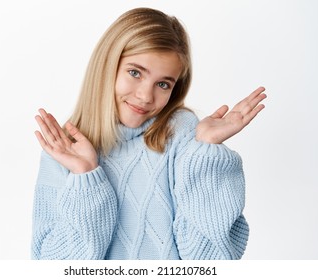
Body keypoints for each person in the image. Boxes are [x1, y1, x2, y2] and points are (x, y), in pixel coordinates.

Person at [32, 7, 266, 260]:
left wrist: (206, 152)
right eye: (135, 73)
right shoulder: (63, 149)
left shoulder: (181, 134)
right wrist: (86, 176)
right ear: (107, 66)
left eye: (163, 84)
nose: (145, 96)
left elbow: (213, 261)